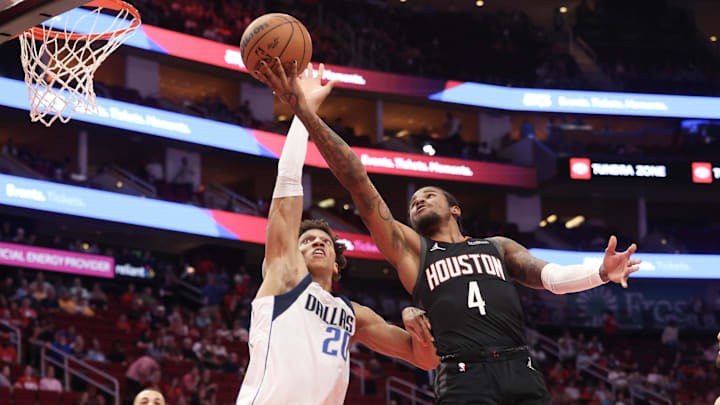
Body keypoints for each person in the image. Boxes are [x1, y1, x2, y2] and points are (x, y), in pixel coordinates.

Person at [258, 58, 642, 404]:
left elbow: (551, 278)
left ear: (455, 209)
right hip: (463, 374)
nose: (418, 201)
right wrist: (306, 114)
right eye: (413, 202)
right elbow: (357, 181)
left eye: (428, 195)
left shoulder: (498, 246)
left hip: (517, 365)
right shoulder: (414, 250)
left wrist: (600, 272)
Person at [236, 63, 438, 405]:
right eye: (307, 241)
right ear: (292, 253)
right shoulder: (284, 276)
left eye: (325, 242)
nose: (317, 242)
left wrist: (420, 331)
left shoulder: (354, 316)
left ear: (336, 265)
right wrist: (304, 112)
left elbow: (426, 360)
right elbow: (286, 185)